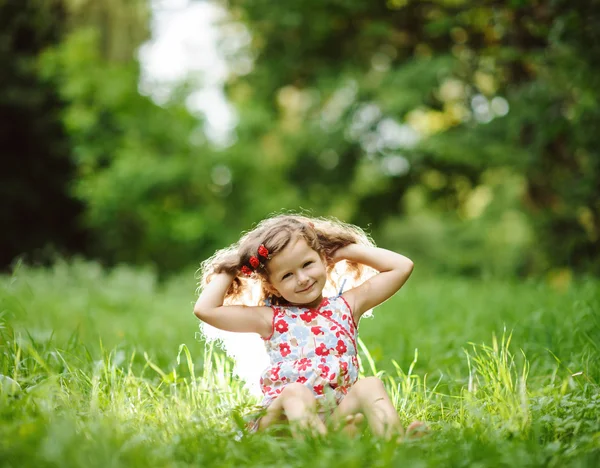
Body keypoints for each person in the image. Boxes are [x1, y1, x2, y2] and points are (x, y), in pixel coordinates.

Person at [194, 214, 418, 439]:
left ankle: (396, 446)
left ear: (323, 259)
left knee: (370, 385)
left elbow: (402, 267)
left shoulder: (347, 306)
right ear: (273, 286)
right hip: (283, 424)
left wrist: (342, 250)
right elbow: (206, 310)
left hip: (332, 420)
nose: (302, 278)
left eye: (307, 264)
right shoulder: (270, 318)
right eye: (287, 275)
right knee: (295, 392)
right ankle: (318, 455)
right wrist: (230, 268)